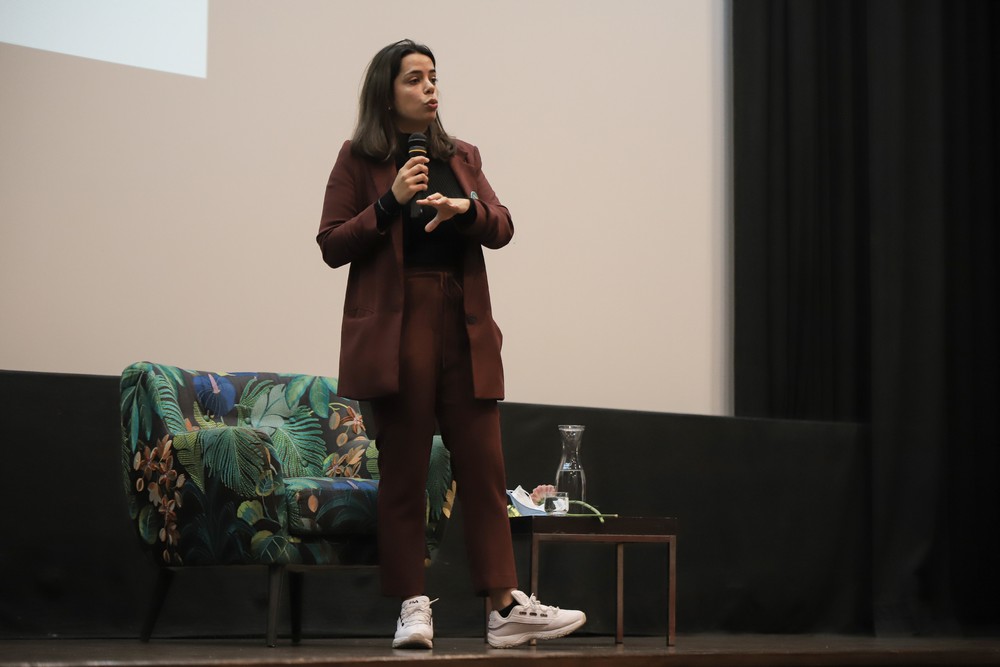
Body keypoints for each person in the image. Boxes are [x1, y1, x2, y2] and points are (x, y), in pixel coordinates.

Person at [316, 39, 586, 649]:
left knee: (485, 467)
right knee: (406, 469)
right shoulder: (359, 157)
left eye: (434, 78)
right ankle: (413, 606)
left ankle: (503, 605)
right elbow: (332, 243)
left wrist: (465, 208)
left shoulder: (462, 156)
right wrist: (391, 202)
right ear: (388, 92)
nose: (430, 88)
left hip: (462, 320)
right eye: (415, 79)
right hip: (398, 321)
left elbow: (503, 223)